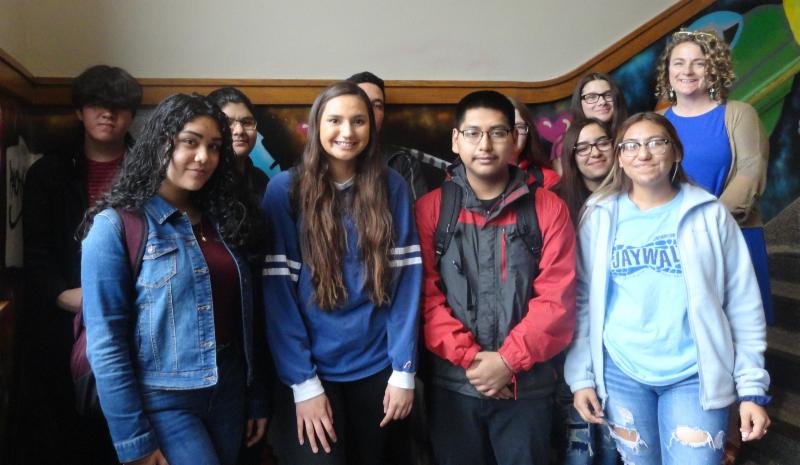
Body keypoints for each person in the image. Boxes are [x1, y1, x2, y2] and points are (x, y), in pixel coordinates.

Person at [565, 112, 771, 465]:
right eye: (631, 145)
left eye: (655, 143)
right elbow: (582, 301)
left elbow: (743, 303)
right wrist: (581, 377)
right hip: (621, 372)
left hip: (695, 373)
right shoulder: (599, 215)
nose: (643, 153)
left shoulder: (708, 213)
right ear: (620, 157)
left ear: (676, 152)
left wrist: (751, 388)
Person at [80, 93, 267, 465]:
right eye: (190, 142)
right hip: (163, 398)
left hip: (229, 392)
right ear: (162, 143)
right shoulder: (116, 226)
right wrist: (133, 441)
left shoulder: (224, 219)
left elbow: (247, 318)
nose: (204, 157)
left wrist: (256, 396)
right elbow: (106, 343)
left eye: (214, 147)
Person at [261, 81, 423, 465]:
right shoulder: (284, 190)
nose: (347, 131)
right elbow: (278, 297)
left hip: (379, 368)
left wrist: (403, 371)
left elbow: (406, 285)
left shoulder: (393, 186)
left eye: (358, 121)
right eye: (335, 120)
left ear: (372, 127)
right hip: (312, 371)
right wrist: (303, 384)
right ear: (316, 125)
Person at [416, 90, 576, 465]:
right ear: (455, 140)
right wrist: (474, 362)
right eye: (473, 133)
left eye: (497, 133)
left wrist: (506, 363)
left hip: (527, 388)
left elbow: (558, 299)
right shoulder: (432, 210)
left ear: (515, 138)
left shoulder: (548, 208)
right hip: (455, 388)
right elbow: (424, 299)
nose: (485, 145)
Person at [20, 64, 141, 464]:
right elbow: (36, 256)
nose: (108, 113)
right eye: (96, 104)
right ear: (79, 111)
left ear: (132, 114)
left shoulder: (152, 174)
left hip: (137, 317)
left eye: (118, 105)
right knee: (64, 433)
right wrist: (79, 299)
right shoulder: (48, 173)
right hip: (63, 317)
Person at [656, 29, 773, 326]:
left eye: (699, 63)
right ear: (668, 71)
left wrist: (705, 223)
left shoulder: (738, 114)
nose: (687, 71)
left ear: (714, 69)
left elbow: (751, 171)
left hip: (733, 235)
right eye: (679, 63)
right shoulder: (658, 123)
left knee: (740, 332)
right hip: (675, 244)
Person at [553, 117, 618, 465]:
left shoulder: (636, 199)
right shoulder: (557, 203)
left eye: (602, 142)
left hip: (618, 344)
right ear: (571, 156)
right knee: (577, 446)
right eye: (583, 147)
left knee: (615, 445)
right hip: (569, 340)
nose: (594, 152)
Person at [346, 71, 429, 199]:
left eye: (377, 105)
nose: (369, 111)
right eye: (362, 102)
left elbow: (417, 209)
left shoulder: (401, 161)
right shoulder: (329, 159)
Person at [552, 73, 628, 175]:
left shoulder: (631, 133)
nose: (602, 102)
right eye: (592, 97)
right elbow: (567, 183)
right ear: (580, 103)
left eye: (608, 95)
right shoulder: (564, 143)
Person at [207, 87, 269, 203]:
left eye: (247, 122)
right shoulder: (202, 178)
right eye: (227, 122)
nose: (239, 131)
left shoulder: (260, 179)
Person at [507, 96, 560, 190]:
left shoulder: (548, 178)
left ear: (529, 133)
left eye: (520, 126)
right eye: (506, 125)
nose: (514, 133)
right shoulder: (479, 175)